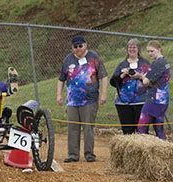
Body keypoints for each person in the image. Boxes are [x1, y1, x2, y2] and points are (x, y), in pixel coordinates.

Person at [56, 35, 108, 163]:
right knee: (72, 127)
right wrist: (59, 95)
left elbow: (104, 76)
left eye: (80, 46)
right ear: (72, 48)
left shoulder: (93, 57)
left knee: (88, 127)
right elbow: (61, 79)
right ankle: (73, 154)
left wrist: (103, 94)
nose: (78, 48)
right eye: (75, 46)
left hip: (89, 99)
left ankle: (89, 154)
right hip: (72, 101)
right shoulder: (68, 59)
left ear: (86, 45)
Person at [110, 38, 150, 134]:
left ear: (138, 49)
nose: (132, 49)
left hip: (141, 101)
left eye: (134, 47)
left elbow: (151, 81)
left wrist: (139, 76)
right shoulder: (122, 64)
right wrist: (123, 74)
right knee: (127, 131)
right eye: (129, 47)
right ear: (127, 49)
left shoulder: (145, 64)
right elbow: (113, 82)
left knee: (142, 131)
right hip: (123, 103)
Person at [136, 40, 170, 140]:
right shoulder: (165, 62)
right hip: (163, 99)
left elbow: (146, 82)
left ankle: (143, 148)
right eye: (148, 51)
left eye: (152, 51)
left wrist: (140, 76)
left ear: (159, 49)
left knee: (142, 126)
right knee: (158, 126)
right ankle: (163, 150)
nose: (150, 53)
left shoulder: (158, 63)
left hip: (154, 99)